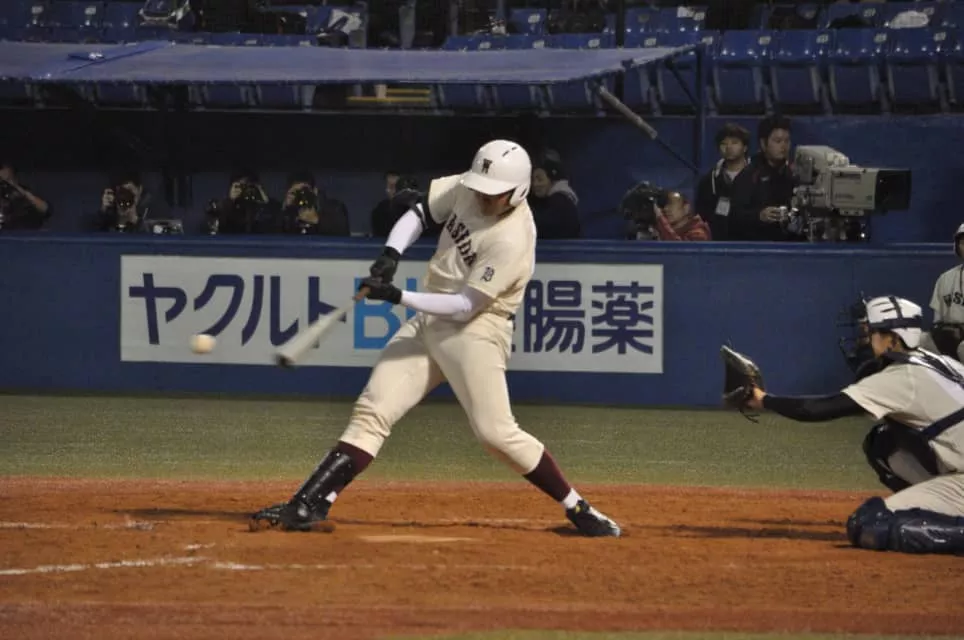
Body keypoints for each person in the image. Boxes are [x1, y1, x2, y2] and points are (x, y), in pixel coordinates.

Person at [251, 139, 621, 538]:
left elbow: (464, 305)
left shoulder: (513, 238)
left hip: (476, 331)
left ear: (518, 192)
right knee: (372, 411)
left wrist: (397, 295)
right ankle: (307, 504)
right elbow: (421, 213)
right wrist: (391, 254)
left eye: (493, 194)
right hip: (429, 320)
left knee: (495, 434)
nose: (481, 196)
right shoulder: (473, 185)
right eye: (480, 187)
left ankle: (577, 507)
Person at [745, 296, 964, 554]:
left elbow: (816, 409)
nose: (866, 339)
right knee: (883, 443)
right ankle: (937, 508)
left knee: (871, 525)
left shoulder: (900, 378)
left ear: (894, 339)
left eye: (871, 332)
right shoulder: (940, 362)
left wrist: (762, 400)